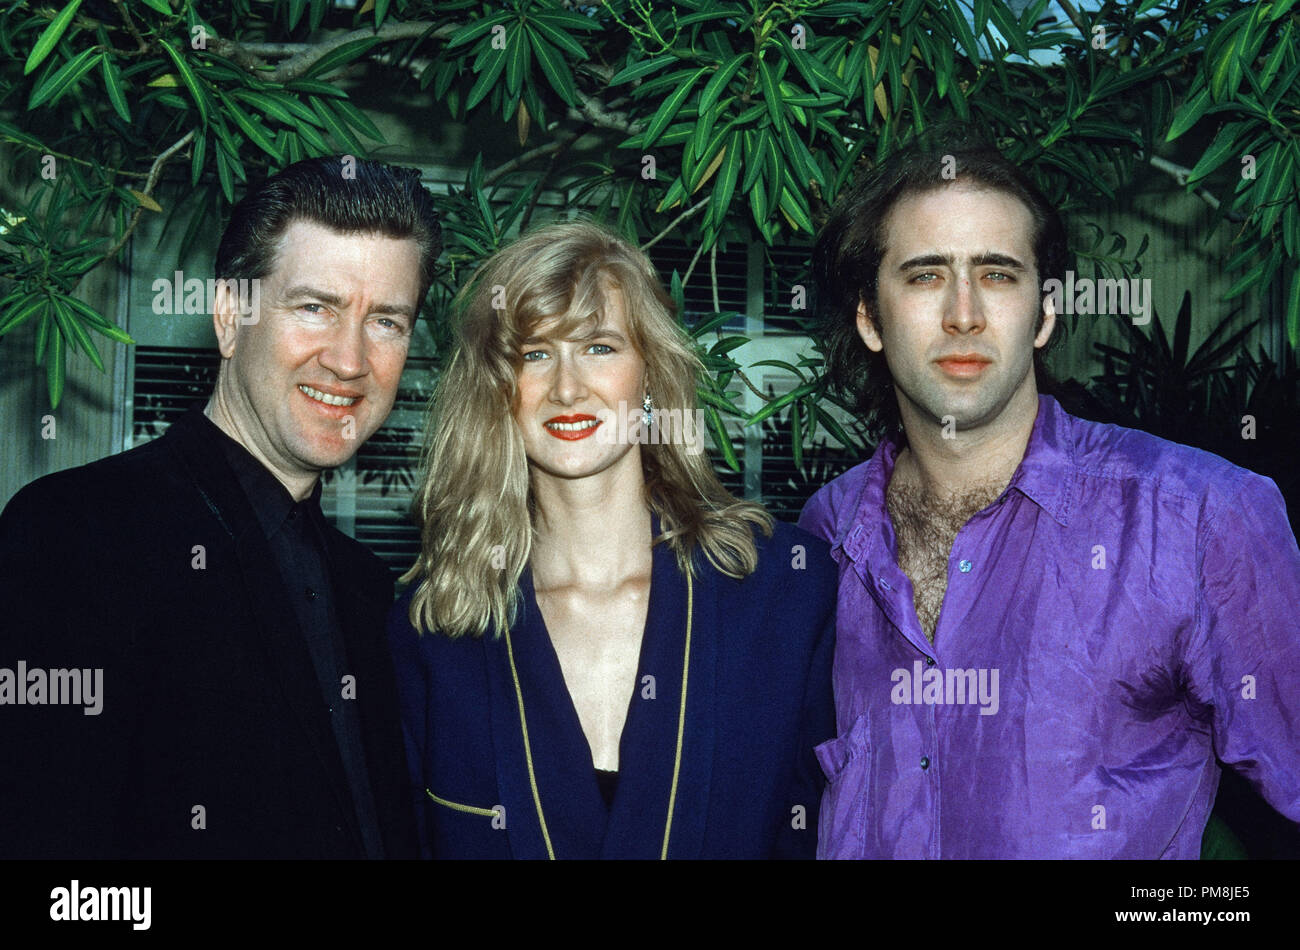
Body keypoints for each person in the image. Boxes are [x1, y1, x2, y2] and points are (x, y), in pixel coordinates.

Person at [800, 131, 1300, 859]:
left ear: (1044, 314)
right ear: (869, 320)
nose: (964, 314)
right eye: (926, 275)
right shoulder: (825, 536)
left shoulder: (1196, 518)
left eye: (998, 275)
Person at [0, 155, 440, 858]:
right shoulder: (75, 534)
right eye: (315, 307)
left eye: (386, 320)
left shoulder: (371, 591)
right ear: (231, 317)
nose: (350, 359)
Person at [388, 220, 835, 859]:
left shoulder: (784, 594)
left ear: (650, 376)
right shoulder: (435, 629)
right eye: (534, 354)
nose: (568, 387)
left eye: (599, 346)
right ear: (498, 392)